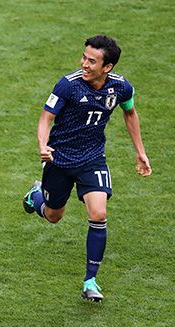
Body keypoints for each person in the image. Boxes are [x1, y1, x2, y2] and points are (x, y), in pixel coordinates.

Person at [22, 35, 152, 302]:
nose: (84, 63)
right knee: (54, 215)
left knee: (99, 213)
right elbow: (46, 118)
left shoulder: (121, 88)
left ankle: (90, 280)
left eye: (92, 61)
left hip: (92, 159)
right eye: (84, 57)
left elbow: (130, 112)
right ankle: (35, 197)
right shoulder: (68, 86)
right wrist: (43, 145)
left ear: (108, 67)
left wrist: (141, 152)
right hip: (59, 160)